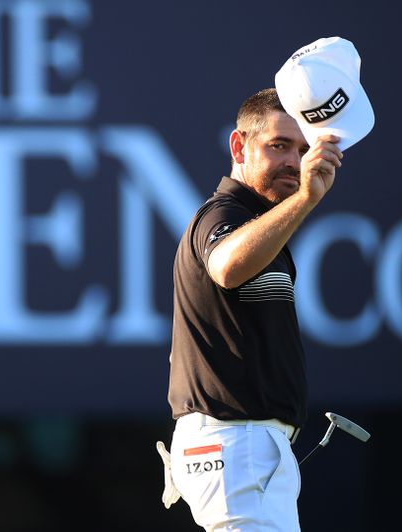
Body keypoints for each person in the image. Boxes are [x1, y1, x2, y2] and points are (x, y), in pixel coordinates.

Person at [163, 88, 342, 531]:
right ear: (239, 146)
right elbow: (226, 266)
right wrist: (305, 199)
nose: (294, 162)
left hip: (245, 450)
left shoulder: (259, 224)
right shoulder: (221, 214)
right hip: (233, 446)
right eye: (279, 145)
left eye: (303, 149)